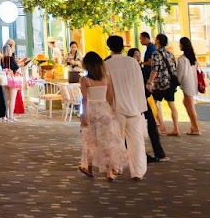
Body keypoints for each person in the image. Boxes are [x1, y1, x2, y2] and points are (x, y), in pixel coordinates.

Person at [103, 36, 148, 179]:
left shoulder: (107, 65)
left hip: (117, 108)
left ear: (109, 47)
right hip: (134, 107)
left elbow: (106, 89)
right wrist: (140, 106)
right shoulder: (133, 63)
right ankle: (138, 172)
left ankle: (117, 167)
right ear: (123, 46)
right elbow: (139, 85)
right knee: (136, 142)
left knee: (116, 140)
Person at [77, 51, 126, 181]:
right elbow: (110, 96)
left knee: (90, 140)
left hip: (91, 110)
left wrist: (83, 114)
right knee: (107, 140)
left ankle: (89, 168)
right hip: (104, 110)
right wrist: (110, 109)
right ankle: (109, 172)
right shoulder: (106, 78)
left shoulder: (84, 80)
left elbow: (84, 99)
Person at [149, 33, 180, 135]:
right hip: (171, 83)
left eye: (156, 39)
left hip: (160, 83)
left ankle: (161, 125)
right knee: (172, 105)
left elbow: (155, 69)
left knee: (153, 103)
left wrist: (150, 82)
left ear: (158, 41)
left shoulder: (155, 54)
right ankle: (176, 129)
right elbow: (174, 67)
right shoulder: (170, 54)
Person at [175, 37, 201, 136]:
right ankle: (193, 127)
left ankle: (196, 127)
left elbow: (180, 73)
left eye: (180, 44)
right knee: (186, 103)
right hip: (193, 82)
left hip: (186, 83)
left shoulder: (182, 59)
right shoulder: (193, 58)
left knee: (190, 106)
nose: (179, 46)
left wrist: (177, 81)